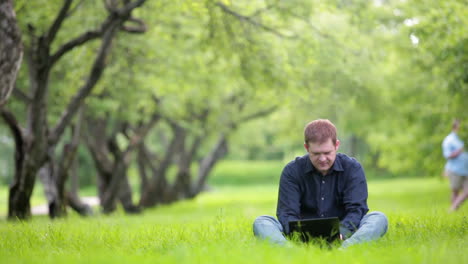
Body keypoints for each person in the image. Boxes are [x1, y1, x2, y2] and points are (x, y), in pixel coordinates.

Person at [252, 119, 388, 248]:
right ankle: (291, 251)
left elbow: (356, 210)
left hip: (344, 235)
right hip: (301, 236)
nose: (323, 159)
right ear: (306, 148)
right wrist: (300, 236)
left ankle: (346, 249)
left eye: (327, 152)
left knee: (378, 218)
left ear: (336, 145)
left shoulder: (352, 168)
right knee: (262, 222)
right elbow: (287, 213)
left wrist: (341, 233)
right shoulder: (292, 171)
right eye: (316, 153)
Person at [442, 119, 468, 211]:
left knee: (466, 191)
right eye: (460, 126)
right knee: (455, 191)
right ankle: (453, 211)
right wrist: (458, 151)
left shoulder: (460, 139)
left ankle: (452, 209)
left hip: (465, 169)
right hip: (455, 169)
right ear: (455, 127)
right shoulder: (449, 140)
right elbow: (447, 155)